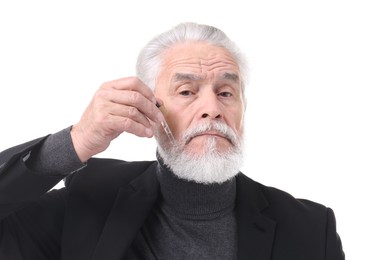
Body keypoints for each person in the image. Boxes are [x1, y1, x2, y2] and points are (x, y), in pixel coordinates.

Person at [0, 22, 344, 260]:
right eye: (186, 91)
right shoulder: (87, 201)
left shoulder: (311, 229)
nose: (212, 108)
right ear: (148, 106)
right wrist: (77, 142)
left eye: (226, 92)